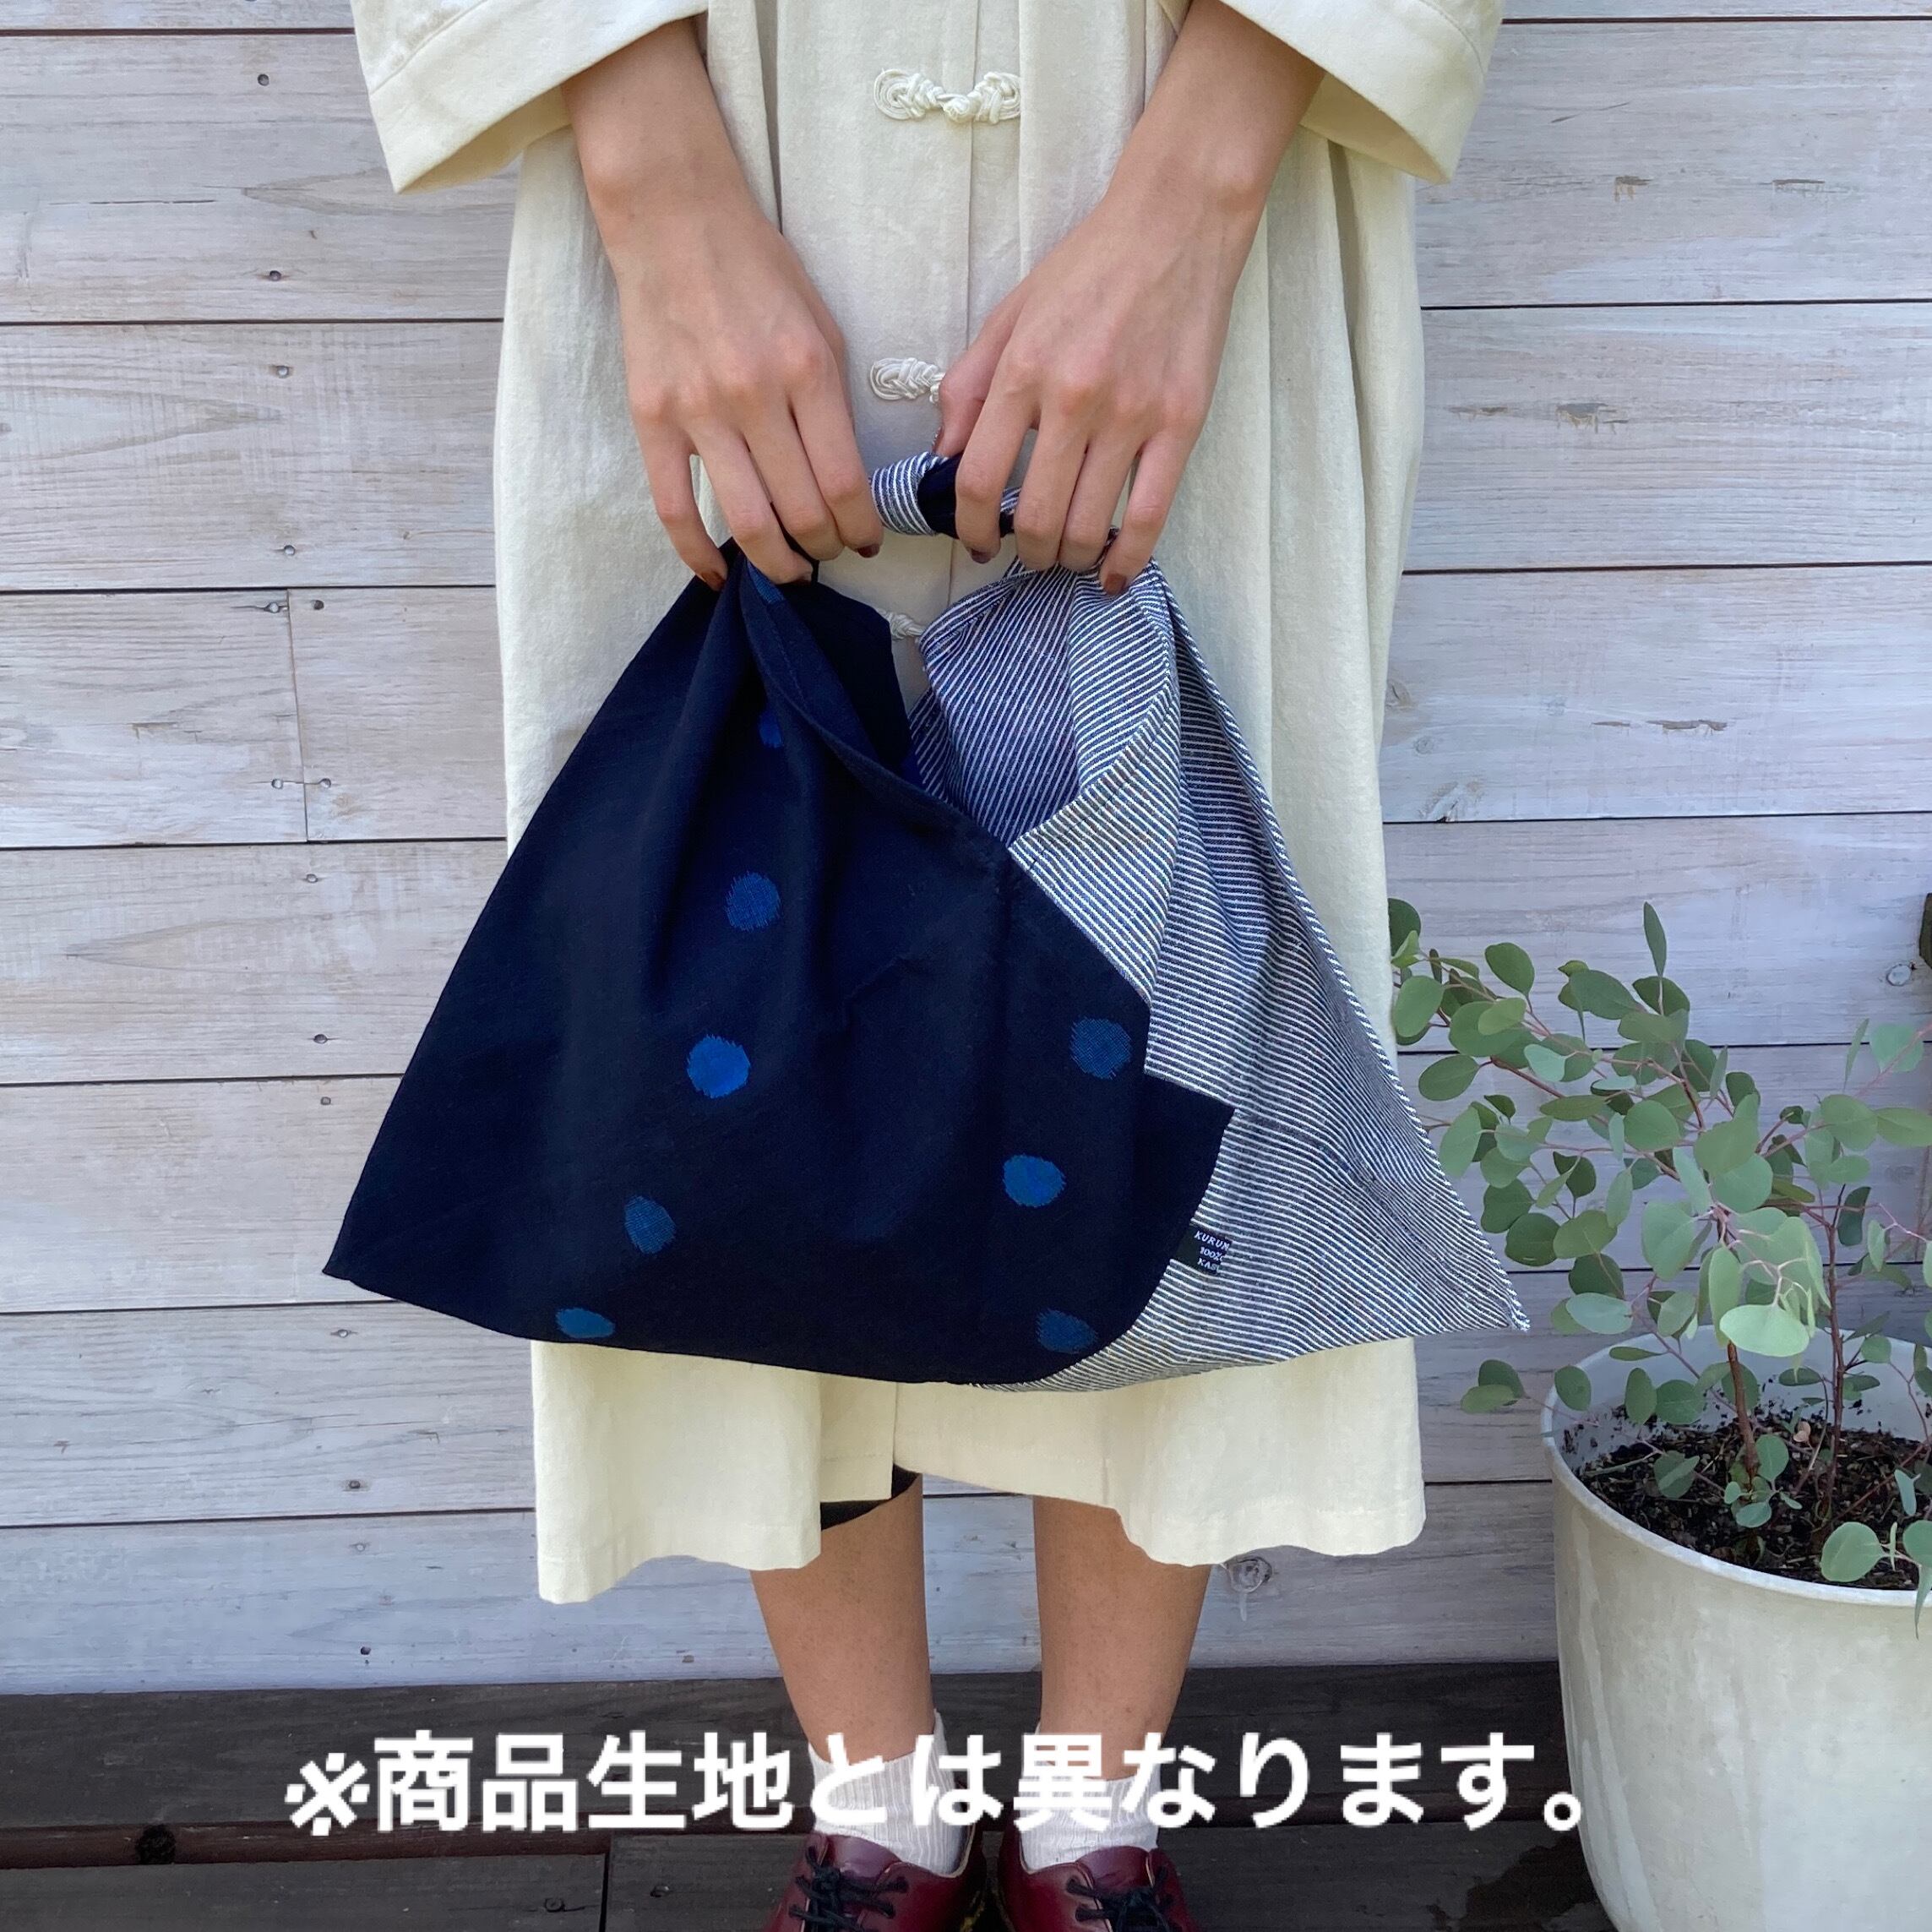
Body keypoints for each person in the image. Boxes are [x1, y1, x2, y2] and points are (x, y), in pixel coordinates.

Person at [346, 1, 1500, 1923]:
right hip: (723, 137)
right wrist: (657, 180)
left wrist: (1196, 193)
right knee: (734, 1072)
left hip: (1181, 137)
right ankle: (876, 1815)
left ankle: (1090, 1824)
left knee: (1165, 1018)